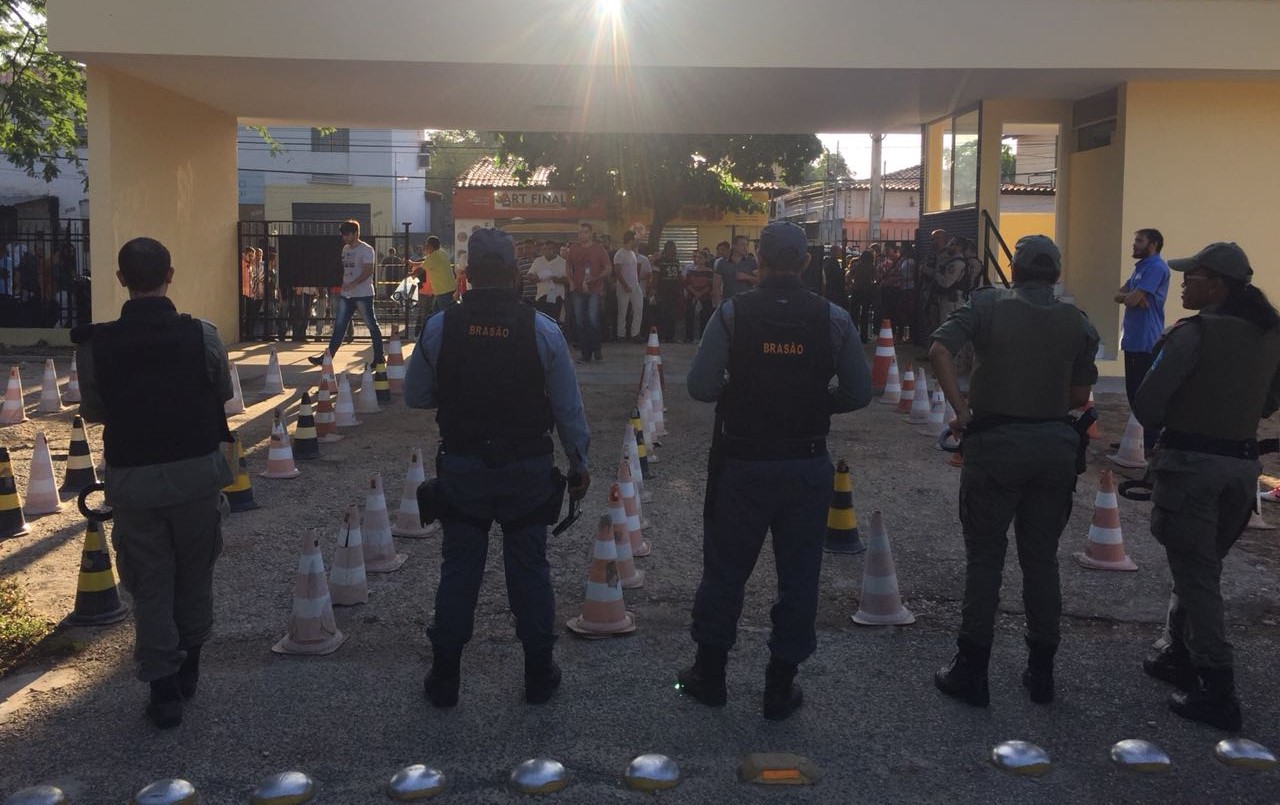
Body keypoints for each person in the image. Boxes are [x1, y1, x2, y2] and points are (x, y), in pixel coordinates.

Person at [679, 221, 872, 721]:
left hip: (743, 460)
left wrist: (744, 396)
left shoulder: (731, 314)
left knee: (725, 569)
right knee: (800, 575)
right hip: (806, 462)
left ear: (757, 262)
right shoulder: (834, 318)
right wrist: (813, 404)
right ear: (806, 263)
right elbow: (858, 391)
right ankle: (779, 686)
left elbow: (700, 387)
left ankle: (710, 675)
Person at [404, 228, 592, 708]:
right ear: (514, 274)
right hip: (526, 468)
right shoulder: (543, 329)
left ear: (466, 275)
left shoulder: (442, 326)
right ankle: (537, 674)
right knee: (529, 569)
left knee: (459, 568)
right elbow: (569, 409)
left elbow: (417, 396)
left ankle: (445, 676)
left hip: (464, 465)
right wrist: (579, 462)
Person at [928, 235, 1099, 708]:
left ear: (1015, 269)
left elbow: (940, 349)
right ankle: (1041, 672)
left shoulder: (987, 306)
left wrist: (961, 410)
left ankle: (972, 670)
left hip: (996, 445)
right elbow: (1078, 396)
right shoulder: (1076, 321)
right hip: (1054, 448)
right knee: (1041, 559)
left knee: (986, 558)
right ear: (1056, 273)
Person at [72, 237, 233, 729]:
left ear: (121, 279)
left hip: (134, 479)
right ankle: (191, 667)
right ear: (172, 274)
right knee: (194, 571)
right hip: (196, 473)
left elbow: (96, 410)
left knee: (150, 583)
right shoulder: (203, 334)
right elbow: (221, 391)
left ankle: (163, 689)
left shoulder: (95, 344)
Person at [1133, 242, 1280, 732]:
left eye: (1191, 277)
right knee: (1198, 565)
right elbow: (1268, 403)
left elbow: (1149, 404)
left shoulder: (1192, 334)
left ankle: (1218, 687)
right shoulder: (1269, 333)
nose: (1183, 284)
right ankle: (1178, 651)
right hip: (1242, 470)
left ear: (1215, 284)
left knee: (1197, 575)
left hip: (1192, 468)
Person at [1115, 228, 1170, 451]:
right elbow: (1119, 294)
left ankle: (1149, 440)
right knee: (1133, 391)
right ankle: (1136, 438)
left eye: (1139, 241)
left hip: (1147, 339)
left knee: (1143, 392)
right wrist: (1131, 297)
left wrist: (1132, 297)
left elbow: (1130, 299)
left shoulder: (1156, 267)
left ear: (1153, 244)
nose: (1134, 244)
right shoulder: (1141, 268)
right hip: (1132, 337)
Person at [309, 220, 384, 367]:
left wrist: (354, 283)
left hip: (363, 294)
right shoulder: (345, 249)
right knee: (339, 326)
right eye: (343, 235)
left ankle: (379, 357)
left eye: (347, 235)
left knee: (371, 325)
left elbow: (369, 269)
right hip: (347, 294)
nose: (345, 238)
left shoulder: (367, 249)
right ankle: (326, 358)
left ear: (356, 233)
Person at [565, 222, 611, 363]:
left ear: (590, 233)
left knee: (592, 319)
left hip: (594, 290)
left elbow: (608, 268)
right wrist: (571, 281)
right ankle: (585, 353)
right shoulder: (573, 249)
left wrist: (594, 279)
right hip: (578, 290)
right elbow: (568, 266)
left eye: (585, 232)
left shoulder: (599, 249)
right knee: (580, 321)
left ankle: (596, 349)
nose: (582, 235)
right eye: (580, 232)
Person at [650, 240, 684, 343]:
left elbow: (679, 276)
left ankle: (670, 336)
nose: (673, 250)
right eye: (670, 248)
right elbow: (655, 276)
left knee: (672, 314)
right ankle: (661, 336)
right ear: (666, 249)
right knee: (662, 313)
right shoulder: (659, 261)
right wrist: (654, 290)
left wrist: (681, 288)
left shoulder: (676, 261)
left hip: (674, 291)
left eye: (674, 248)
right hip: (663, 290)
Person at [613, 231, 644, 342]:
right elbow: (617, 272)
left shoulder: (632, 253)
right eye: (635, 239)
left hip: (635, 285)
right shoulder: (619, 254)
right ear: (630, 239)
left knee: (638, 308)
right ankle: (621, 334)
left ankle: (635, 334)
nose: (637, 241)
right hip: (623, 286)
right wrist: (625, 285)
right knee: (623, 311)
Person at [528, 239, 568, 323]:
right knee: (542, 321)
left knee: (554, 321)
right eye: (544, 249)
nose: (546, 251)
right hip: (542, 295)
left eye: (549, 249)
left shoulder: (563, 262)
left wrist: (554, 278)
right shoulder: (538, 261)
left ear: (555, 250)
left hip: (557, 296)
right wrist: (535, 278)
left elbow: (567, 280)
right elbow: (530, 275)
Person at [713, 234, 758, 303]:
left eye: (746, 245)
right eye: (742, 245)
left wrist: (747, 277)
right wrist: (719, 303)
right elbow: (716, 285)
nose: (745, 247)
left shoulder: (752, 262)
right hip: (728, 302)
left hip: (747, 302)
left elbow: (759, 280)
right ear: (734, 246)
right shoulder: (721, 263)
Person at [683, 247, 715, 342]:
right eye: (697, 257)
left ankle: (703, 337)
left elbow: (711, 285)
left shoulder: (709, 272)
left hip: (705, 297)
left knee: (705, 317)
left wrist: (701, 293)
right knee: (689, 316)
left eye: (701, 257)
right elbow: (686, 283)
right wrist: (694, 292)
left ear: (706, 259)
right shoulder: (690, 271)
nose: (698, 259)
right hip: (692, 297)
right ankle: (689, 337)